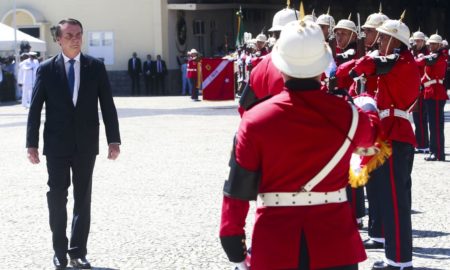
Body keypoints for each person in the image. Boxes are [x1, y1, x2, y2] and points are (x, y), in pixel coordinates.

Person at [220, 19, 379, 270]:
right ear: (322, 66)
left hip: (276, 244)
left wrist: (233, 242)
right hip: (334, 245)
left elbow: (237, 191)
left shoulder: (254, 120)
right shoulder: (348, 114)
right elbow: (370, 142)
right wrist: (368, 107)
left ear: (280, 64)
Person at [26, 18, 121, 270]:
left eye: (78, 34)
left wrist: (114, 139)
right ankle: (59, 251)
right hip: (56, 145)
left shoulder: (95, 67)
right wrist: (31, 144)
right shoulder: (46, 69)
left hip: (86, 144)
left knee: (83, 199)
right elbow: (35, 108)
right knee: (57, 197)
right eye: (68, 35)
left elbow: (108, 106)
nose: (75, 39)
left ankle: (78, 252)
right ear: (58, 39)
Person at [350, 16, 420, 269]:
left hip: (395, 134)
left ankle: (400, 261)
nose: (378, 41)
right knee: (385, 197)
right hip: (390, 133)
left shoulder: (398, 61)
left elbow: (363, 65)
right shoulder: (396, 61)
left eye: (382, 37)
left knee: (394, 201)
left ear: (393, 40)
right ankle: (393, 253)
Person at [416, 33, 448, 161]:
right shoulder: (435, 56)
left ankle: (438, 152)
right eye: (430, 44)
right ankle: (434, 150)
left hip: (436, 92)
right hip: (430, 91)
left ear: (440, 45)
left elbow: (420, 62)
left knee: (435, 125)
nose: (431, 46)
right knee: (433, 124)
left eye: (434, 44)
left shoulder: (436, 56)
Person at [411, 30, 431, 154]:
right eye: (415, 41)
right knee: (416, 118)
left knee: (421, 118)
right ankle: (419, 142)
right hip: (415, 89)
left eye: (418, 41)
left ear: (423, 41)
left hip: (422, 88)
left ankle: (423, 144)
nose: (416, 43)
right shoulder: (415, 52)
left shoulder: (426, 53)